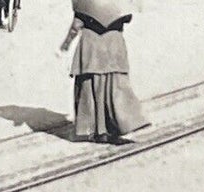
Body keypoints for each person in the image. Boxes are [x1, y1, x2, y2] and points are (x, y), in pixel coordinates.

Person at [60, 12, 148, 143]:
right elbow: (128, 18)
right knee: (114, 89)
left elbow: (76, 25)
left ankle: (96, 130)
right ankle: (116, 126)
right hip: (113, 46)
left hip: (91, 47)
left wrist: (66, 43)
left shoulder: (87, 0)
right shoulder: (118, 0)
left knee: (91, 89)